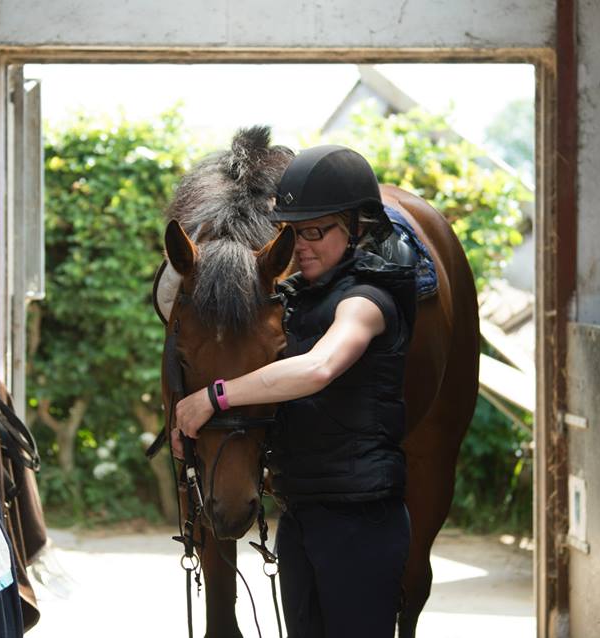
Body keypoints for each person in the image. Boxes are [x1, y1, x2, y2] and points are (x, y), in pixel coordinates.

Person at [174, 145, 417, 638]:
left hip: (359, 519)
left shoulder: (366, 301)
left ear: (355, 228)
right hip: (302, 513)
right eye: (292, 233)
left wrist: (212, 398)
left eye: (315, 231)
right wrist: (191, 423)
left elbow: (318, 368)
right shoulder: (297, 303)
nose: (301, 246)